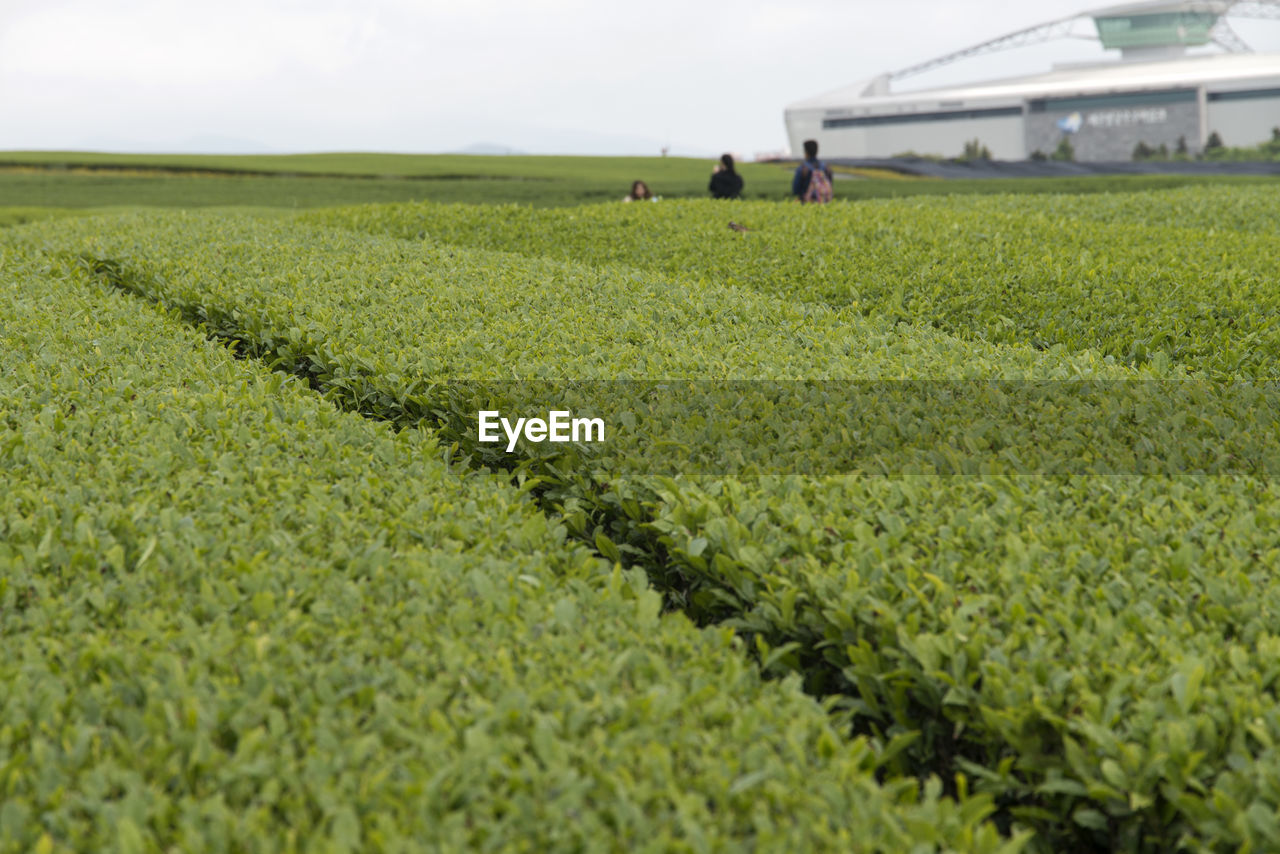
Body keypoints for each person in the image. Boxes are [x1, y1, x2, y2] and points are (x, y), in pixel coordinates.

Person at [792, 139, 833, 204]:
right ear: (817, 151)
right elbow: (830, 185)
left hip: (807, 203)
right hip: (825, 202)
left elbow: (795, 190)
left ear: (806, 152)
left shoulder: (803, 168)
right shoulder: (826, 167)